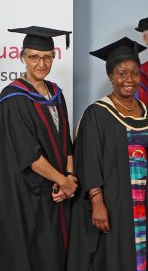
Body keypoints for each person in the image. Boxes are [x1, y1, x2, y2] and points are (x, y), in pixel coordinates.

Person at [67, 37, 148, 271]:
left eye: (134, 73)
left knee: (144, 255)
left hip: (145, 199)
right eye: (121, 74)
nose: (128, 80)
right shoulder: (98, 113)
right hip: (114, 200)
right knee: (115, 255)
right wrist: (97, 202)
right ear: (110, 77)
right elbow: (89, 160)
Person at [0, 26, 77, 271]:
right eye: (34, 57)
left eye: (47, 57)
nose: (41, 63)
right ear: (22, 57)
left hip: (58, 189)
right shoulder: (13, 98)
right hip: (29, 191)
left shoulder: (56, 93)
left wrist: (70, 177)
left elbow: (67, 142)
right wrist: (63, 182)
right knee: (36, 254)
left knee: (58, 253)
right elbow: (28, 154)